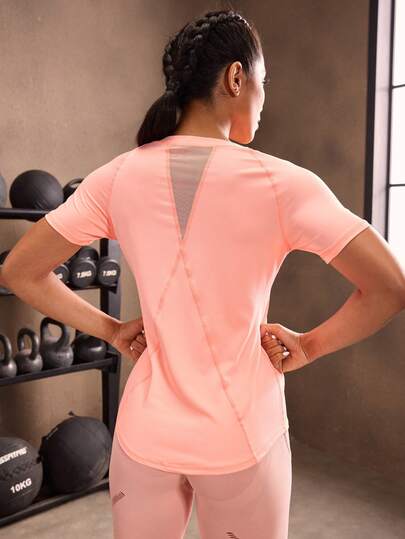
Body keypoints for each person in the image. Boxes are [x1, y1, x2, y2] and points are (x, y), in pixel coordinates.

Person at [1, 7, 405, 539]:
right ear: (237, 77)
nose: (264, 97)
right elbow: (389, 286)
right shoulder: (282, 182)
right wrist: (309, 347)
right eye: (263, 81)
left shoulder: (118, 175)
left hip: (145, 435)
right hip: (242, 436)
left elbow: (20, 271)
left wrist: (113, 331)